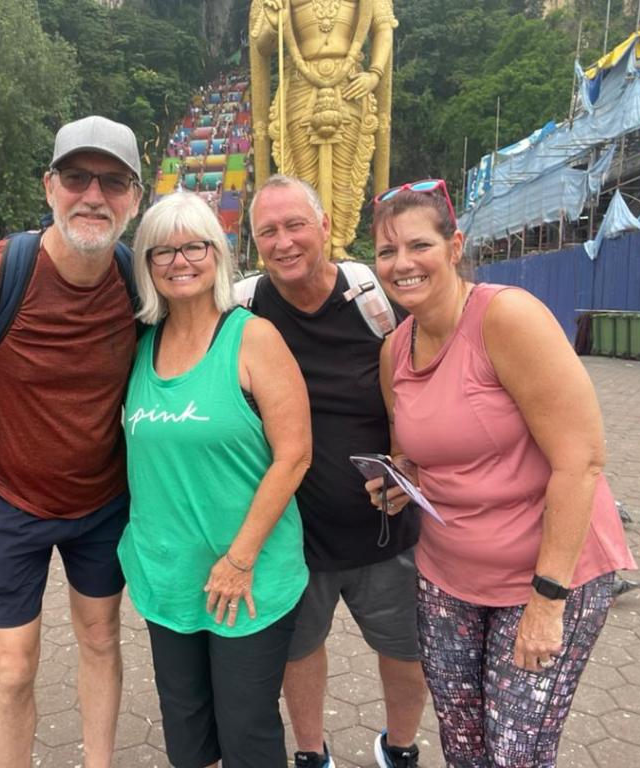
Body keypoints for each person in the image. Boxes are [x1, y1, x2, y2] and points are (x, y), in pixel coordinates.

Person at [367, 179, 636, 767]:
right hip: (447, 577)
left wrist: (548, 600)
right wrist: (399, 480)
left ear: (455, 246)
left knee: (516, 753)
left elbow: (581, 460)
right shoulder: (396, 349)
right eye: (387, 251)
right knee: (463, 745)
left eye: (418, 245)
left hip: (543, 577)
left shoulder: (506, 317)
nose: (402, 263)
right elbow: (411, 451)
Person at [0, 115, 143, 768]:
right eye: (77, 177)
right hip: (8, 507)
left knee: (101, 640)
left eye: (113, 182)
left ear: (134, 198)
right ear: (49, 187)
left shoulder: (137, 282)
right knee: (12, 666)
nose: (93, 195)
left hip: (103, 504)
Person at [120, 191, 311, 767]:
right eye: (163, 251)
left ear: (219, 254)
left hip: (248, 578)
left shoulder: (252, 338)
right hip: (168, 578)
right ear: (147, 265)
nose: (180, 261)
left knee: (246, 732)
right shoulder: (141, 345)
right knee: (187, 732)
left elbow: (294, 456)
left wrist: (240, 560)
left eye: (195, 247)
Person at [246, 175, 426, 768]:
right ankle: (309, 753)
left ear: (324, 226)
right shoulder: (243, 309)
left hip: (384, 527)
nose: (284, 242)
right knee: (300, 651)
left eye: (295, 224)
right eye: (268, 231)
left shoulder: (376, 298)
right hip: (292, 534)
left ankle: (400, 748)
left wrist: (409, 466)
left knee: (405, 648)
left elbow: (421, 388)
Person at [249, 0, 396, 260]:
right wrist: (272, 23)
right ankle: (304, 246)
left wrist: (374, 73)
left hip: (350, 84)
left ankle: (337, 242)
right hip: (301, 84)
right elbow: (261, 46)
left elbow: (383, 27)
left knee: (345, 173)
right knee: (301, 178)